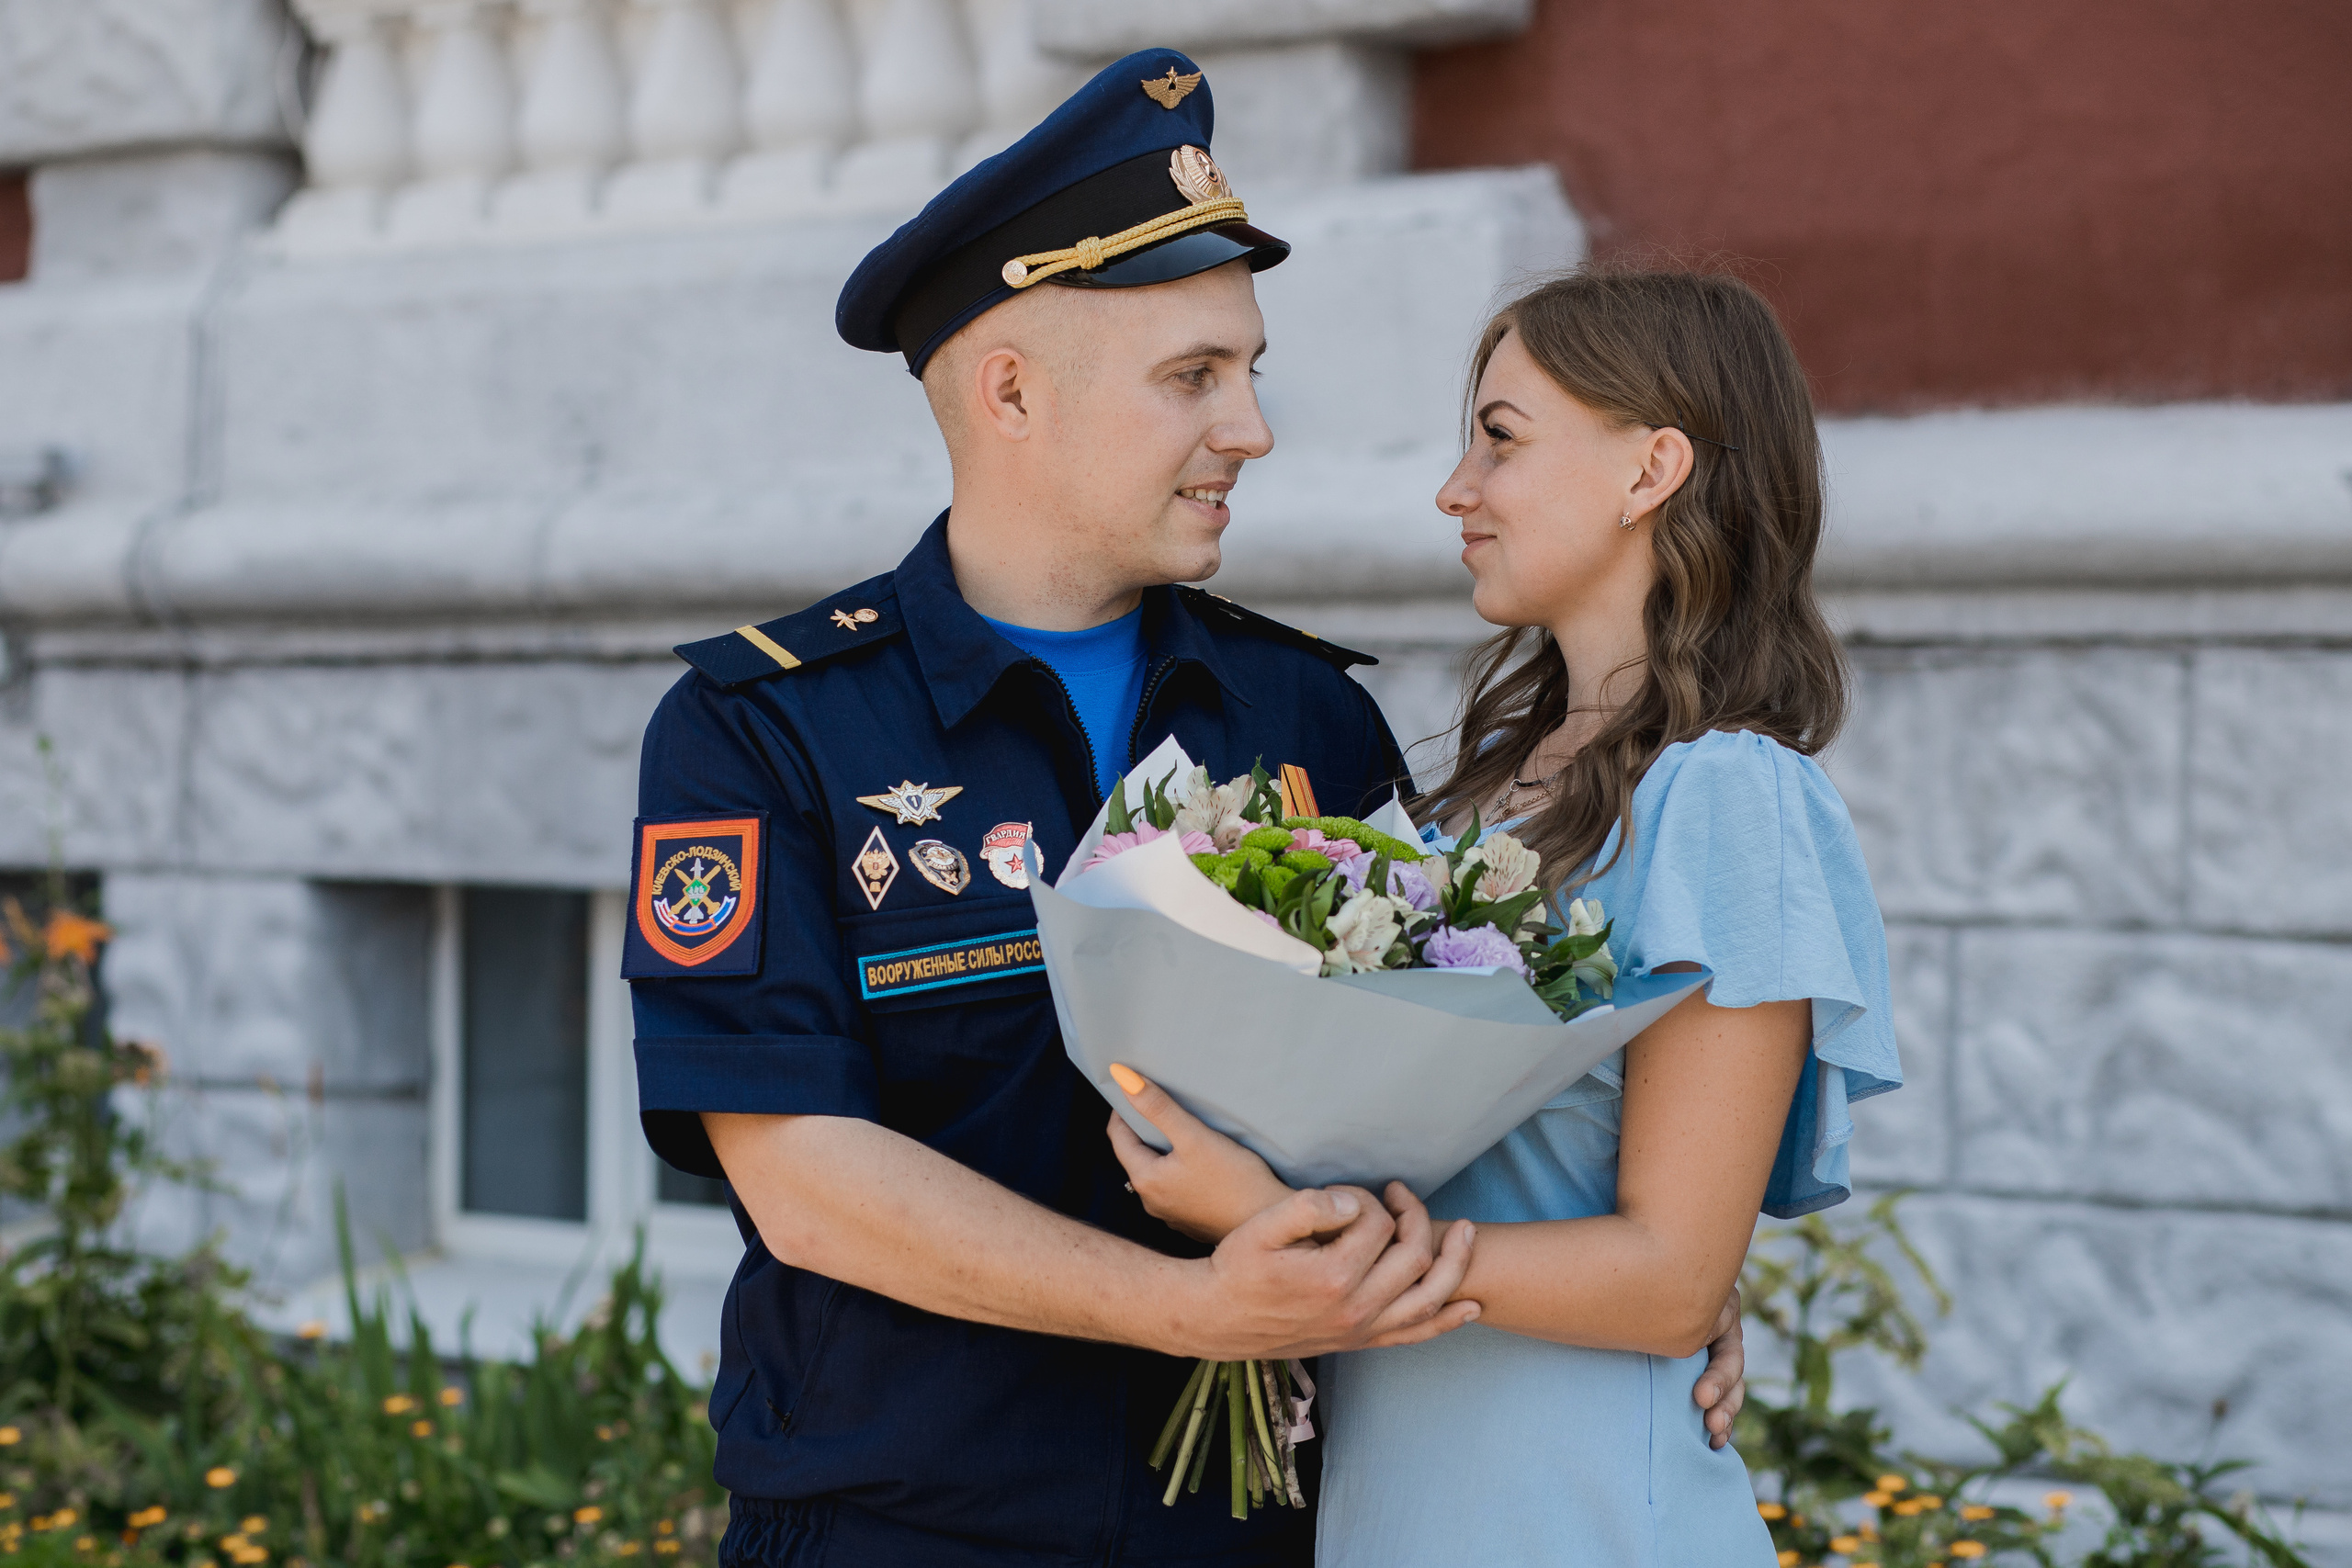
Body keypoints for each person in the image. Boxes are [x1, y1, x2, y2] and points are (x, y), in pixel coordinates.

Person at [624, 49, 1491, 1568]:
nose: (1253, 431)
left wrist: (1647, 1312)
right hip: (906, 1531)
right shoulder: (763, 731)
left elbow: (1435, 1092)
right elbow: (809, 1183)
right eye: (1193, 379)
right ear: (1011, 391)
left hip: (1253, 1532)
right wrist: (1189, 1314)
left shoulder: (1302, 716)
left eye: (1249, 369)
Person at [1107, 266, 1902, 1566]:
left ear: (1652, 470)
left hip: (1571, 1509)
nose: (1455, 489)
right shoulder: (1468, 805)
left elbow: (1670, 1282)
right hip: (1401, 1494)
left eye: (1501, 438)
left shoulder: (1727, 800)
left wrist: (1307, 1236)